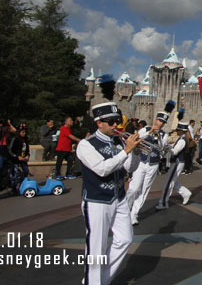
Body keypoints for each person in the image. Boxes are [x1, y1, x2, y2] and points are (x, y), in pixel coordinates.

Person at [76, 101, 141, 285]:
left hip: (118, 198)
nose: (116, 125)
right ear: (99, 123)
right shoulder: (86, 145)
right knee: (96, 249)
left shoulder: (118, 142)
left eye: (117, 121)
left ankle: (101, 279)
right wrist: (125, 151)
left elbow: (130, 167)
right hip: (97, 201)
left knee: (125, 239)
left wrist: (134, 153)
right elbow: (102, 169)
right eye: (111, 122)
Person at [126, 100, 174, 225]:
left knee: (144, 190)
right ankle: (125, 210)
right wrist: (150, 131)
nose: (161, 124)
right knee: (134, 188)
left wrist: (159, 137)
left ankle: (134, 214)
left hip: (153, 164)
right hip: (141, 162)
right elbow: (136, 138)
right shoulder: (145, 129)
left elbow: (163, 148)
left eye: (163, 122)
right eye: (159, 121)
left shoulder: (163, 135)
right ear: (155, 120)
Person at [156, 114, 192, 210]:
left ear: (182, 131)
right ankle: (186, 193)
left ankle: (163, 202)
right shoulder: (181, 139)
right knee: (171, 181)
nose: (176, 131)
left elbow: (175, 152)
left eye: (178, 130)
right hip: (177, 162)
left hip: (177, 162)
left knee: (168, 183)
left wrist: (167, 146)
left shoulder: (182, 140)